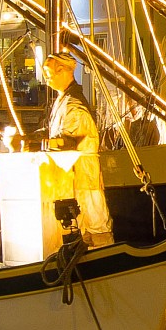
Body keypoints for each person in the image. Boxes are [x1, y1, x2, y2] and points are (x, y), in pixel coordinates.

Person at [42, 52, 113, 247]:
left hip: (83, 172)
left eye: (48, 73)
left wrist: (43, 143)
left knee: (92, 216)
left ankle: (101, 250)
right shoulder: (64, 100)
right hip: (74, 172)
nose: (46, 78)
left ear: (62, 71)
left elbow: (69, 140)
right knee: (82, 217)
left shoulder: (74, 104)